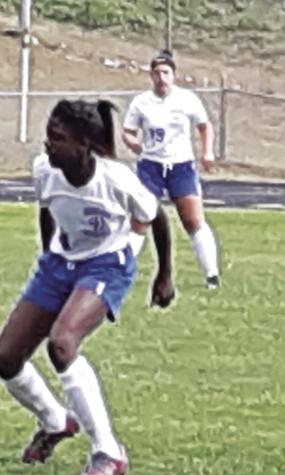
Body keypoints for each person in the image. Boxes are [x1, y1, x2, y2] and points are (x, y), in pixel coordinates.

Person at [0, 99, 157, 475]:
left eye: (57, 139)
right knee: (4, 359)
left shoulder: (114, 178)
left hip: (105, 264)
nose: (48, 145)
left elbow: (152, 217)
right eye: (48, 136)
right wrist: (48, 251)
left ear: (84, 145)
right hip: (59, 264)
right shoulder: (44, 169)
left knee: (62, 343)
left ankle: (108, 452)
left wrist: (163, 274)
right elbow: (48, 207)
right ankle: (54, 421)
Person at [121, 49, 221, 305]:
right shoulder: (141, 102)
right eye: (156, 73)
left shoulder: (187, 100)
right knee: (141, 220)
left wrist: (207, 151)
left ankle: (211, 274)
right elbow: (128, 131)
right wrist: (135, 145)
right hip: (150, 167)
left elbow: (204, 126)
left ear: (174, 75)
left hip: (180, 166)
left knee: (193, 219)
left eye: (165, 72)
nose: (161, 78)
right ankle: (121, 271)